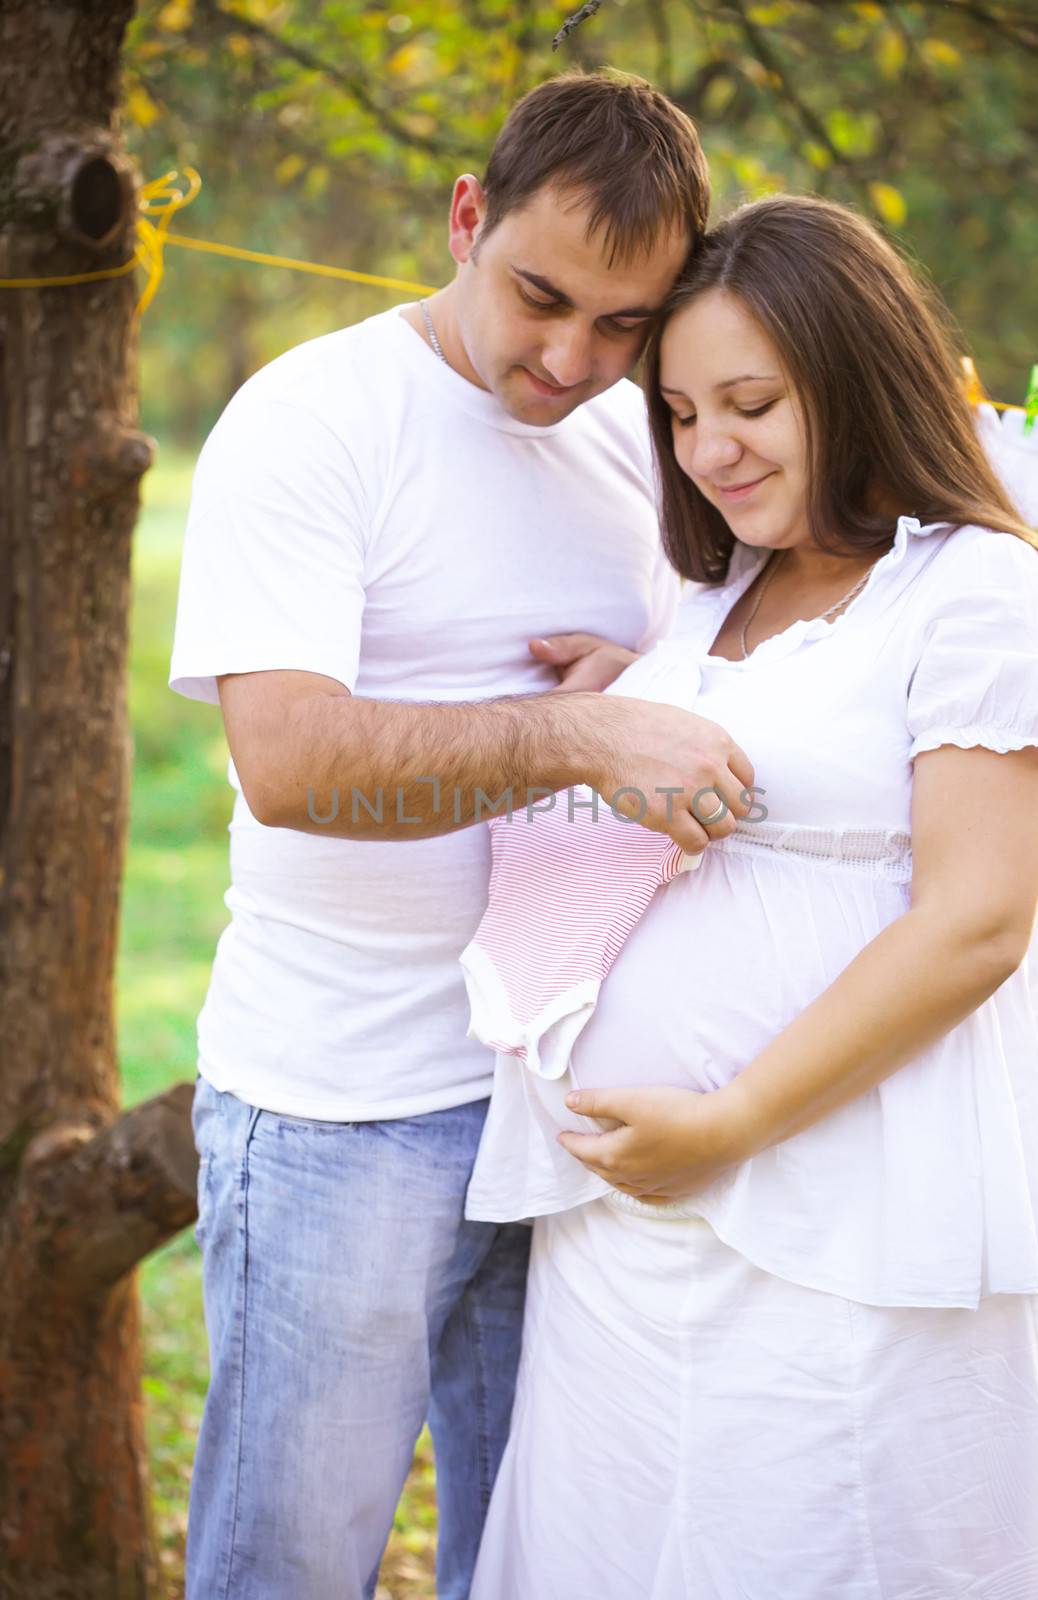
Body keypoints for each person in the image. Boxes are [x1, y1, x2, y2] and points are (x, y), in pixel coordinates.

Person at [168, 69, 753, 1600]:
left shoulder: (642, 443)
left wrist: (641, 688)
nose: (572, 359)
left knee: (539, 1553)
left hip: (564, 1099)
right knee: (289, 1566)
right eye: (541, 297)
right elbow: (288, 765)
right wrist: (576, 735)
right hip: (342, 1104)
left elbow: (695, 677)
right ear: (466, 216)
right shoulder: (312, 419)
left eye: (624, 326)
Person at [465, 193, 1038, 1598]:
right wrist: (617, 705)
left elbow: (976, 923)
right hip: (625, 1213)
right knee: (620, 1548)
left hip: (836, 1196)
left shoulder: (976, 592)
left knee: (816, 1537)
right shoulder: (717, 590)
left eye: (752, 402)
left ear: (858, 377)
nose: (709, 449)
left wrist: (730, 1119)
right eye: (680, 413)